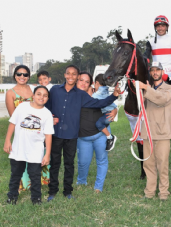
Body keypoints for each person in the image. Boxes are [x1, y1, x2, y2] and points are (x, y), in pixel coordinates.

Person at [45, 64, 120, 201]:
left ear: (77, 76)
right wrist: (49, 117)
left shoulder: (81, 95)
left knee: (69, 164)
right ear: (65, 75)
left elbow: (99, 103)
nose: (71, 77)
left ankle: (68, 191)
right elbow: (46, 107)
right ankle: (52, 191)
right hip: (56, 134)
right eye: (69, 73)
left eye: (75, 74)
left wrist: (114, 96)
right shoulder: (55, 90)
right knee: (55, 163)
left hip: (72, 136)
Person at [3, 86, 54, 205]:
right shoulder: (22, 106)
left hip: (35, 150)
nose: (41, 97)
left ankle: (36, 198)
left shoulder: (47, 114)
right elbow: (12, 123)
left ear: (47, 98)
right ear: (33, 96)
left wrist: (47, 154)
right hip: (18, 148)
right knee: (15, 174)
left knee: (35, 176)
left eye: (45, 95)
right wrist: (7, 140)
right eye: (39, 94)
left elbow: (48, 135)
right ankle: (12, 196)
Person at [143, 15, 171, 162]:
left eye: (163, 25)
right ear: (155, 27)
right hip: (156, 72)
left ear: (167, 26)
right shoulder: (150, 41)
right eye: (158, 26)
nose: (160, 28)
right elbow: (146, 57)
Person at [133, 61, 171, 201]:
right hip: (148, 132)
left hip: (163, 133)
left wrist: (145, 87)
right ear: (150, 73)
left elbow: (161, 99)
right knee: (148, 164)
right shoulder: (145, 90)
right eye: (153, 70)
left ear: (162, 72)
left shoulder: (170, 88)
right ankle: (149, 192)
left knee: (162, 164)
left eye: (158, 70)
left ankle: (163, 193)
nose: (155, 73)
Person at [5, 65, 51, 191]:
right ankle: (23, 185)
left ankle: (39, 184)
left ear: (29, 77)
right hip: (22, 131)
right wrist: (8, 140)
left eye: (25, 74)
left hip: (37, 132)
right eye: (19, 74)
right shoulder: (10, 93)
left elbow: (44, 103)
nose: (22, 77)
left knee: (36, 158)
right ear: (15, 75)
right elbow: (13, 118)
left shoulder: (34, 90)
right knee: (20, 160)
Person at [75, 72, 118, 193]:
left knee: (102, 160)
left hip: (100, 135)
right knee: (83, 163)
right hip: (83, 137)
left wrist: (115, 111)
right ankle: (81, 181)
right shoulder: (72, 97)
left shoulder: (97, 94)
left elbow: (109, 104)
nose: (83, 83)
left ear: (92, 84)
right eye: (81, 80)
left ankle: (99, 186)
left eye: (86, 81)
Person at [92, 74, 117, 151]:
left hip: (108, 114)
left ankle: (110, 137)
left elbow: (93, 99)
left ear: (96, 83)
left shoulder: (98, 93)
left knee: (99, 124)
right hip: (108, 113)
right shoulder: (105, 90)